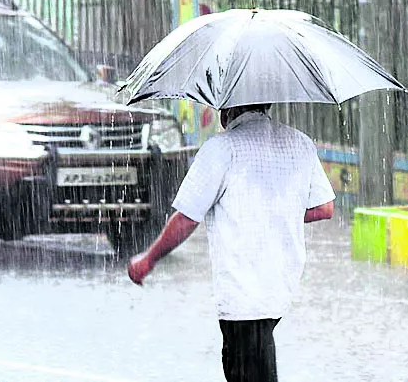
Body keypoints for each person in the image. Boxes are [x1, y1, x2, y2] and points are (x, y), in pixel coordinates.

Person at [127, 103, 335, 382]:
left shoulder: (222, 149)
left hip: (242, 294)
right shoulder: (300, 143)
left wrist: (148, 259)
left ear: (228, 108)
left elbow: (187, 217)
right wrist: (276, 211)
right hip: (280, 288)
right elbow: (324, 208)